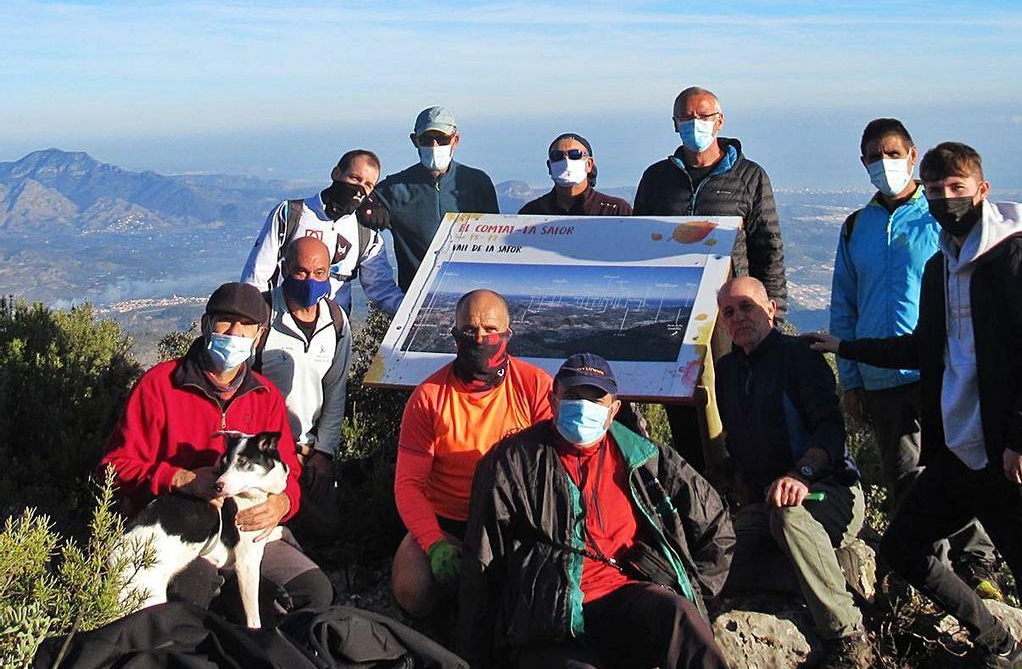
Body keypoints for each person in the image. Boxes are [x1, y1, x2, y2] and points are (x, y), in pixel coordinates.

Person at [807, 142, 1022, 668]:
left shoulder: (1019, 258)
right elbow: (923, 347)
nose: (947, 199)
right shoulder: (942, 266)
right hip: (962, 450)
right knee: (904, 548)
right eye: (936, 190)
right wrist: (846, 347)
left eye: (958, 188)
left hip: (1020, 459)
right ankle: (999, 644)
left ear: (983, 190)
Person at [458, 353, 734, 669]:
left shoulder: (646, 459)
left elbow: (715, 525)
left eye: (596, 398)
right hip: (550, 622)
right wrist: (475, 656)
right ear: (553, 398)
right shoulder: (511, 463)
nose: (583, 407)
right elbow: (482, 561)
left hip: (627, 599)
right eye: (574, 396)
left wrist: (692, 589)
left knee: (678, 617)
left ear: (614, 409)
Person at [831, 118, 998, 595]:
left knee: (959, 466)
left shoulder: (939, 217)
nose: (883, 163)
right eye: (872, 156)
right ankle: (931, 572)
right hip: (880, 375)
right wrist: (852, 379)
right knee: (906, 477)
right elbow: (844, 305)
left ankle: (978, 564)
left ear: (911, 154)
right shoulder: (854, 228)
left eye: (891, 152)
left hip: (940, 369)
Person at [101, 282, 333, 621]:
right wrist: (178, 479)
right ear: (206, 324)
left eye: (246, 326)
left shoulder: (265, 396)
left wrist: (283, 504)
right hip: (182, 533)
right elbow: (114, 467)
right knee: (193, 593)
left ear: (259, 335)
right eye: (225, 321)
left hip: (252, 534)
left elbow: (288, 472)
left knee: (314, 592)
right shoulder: (160, 384)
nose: (235, 332)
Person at [714, 276, 872, 669]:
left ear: (771, 309)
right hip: (767, 500)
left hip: (829, 490)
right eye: (728, 312)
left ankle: (847, 636)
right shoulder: (728, 371)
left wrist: (801, 475)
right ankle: (831, 569)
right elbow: (738, 445)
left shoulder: (799, 358)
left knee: (788, 517)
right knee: (715, 557)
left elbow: (830, 433)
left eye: (747, 307)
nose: (738, 318)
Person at [632, 86, 787, 470]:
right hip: (672, 311)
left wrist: (773, 309)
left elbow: (768, 244)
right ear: (674, 125)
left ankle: (740, 483)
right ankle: (694, 483)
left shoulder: (750, 176)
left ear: (720, 121)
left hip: (729, 313)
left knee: (735, 399)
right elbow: (638, 241)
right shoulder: (656, 178)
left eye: (703, 116)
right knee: (682, 402)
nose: (694, 124)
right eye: (686, 118)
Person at [391, 289, 553, 621]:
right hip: (450, 521)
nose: (480, 338)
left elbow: (557, 467)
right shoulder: (429, 398)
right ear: (455, 334)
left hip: (515, 521)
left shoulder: (534, 386)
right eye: (470, 330)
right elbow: (408, 485)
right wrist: (434, 542)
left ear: (507, 332)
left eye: (491, 330)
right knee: (412, 588)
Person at [255, 236, 351, 540]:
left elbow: (335, 390)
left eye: (320, 273)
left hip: (310, 453)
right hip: (263, 451)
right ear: (284, 269)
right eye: (301, 272)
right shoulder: (262, 316)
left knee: (328, 535)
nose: (311, 281)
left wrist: (324, 453)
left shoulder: (336, 321)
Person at [241, 149, 403, 315]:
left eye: (368, 185)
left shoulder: (367, 235)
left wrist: (415, 313)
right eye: (355, 178)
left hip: (332, 332)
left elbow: (382, 290)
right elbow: (256, 275)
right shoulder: (291, 214)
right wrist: (252, 319)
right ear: (336, 173)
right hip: (279, 323)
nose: (359, 189)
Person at [374, 106, 500, 294]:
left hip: (471, 294)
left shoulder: (477, 183)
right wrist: (370, 205)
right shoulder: (393, 189)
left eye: (442, 139)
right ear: (415, 141)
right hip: (415, 298)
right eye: (426, 140)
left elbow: (495, 239)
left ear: (455, 140)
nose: (434, 146)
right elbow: (355, 210)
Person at [518, 133, 631, 216]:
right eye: (557, 156)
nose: (566, 161)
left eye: (575, 154)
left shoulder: (615, 210)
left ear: (589, 164)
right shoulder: (531, 212)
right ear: (549, 166)